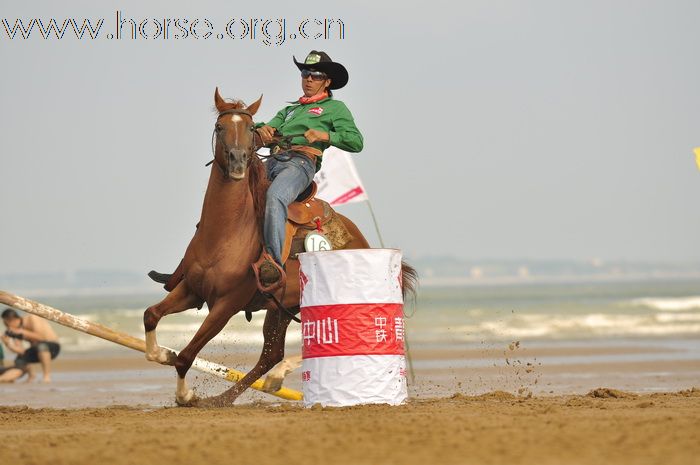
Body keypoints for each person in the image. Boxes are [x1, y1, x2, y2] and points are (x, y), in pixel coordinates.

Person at [253, 50, 364, 288]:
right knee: (230, 192)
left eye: (315, 75)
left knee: (275, 197)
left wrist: (324, 134)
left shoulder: (335, 108)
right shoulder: (289, 110)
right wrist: (262, 130)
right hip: (271, 161)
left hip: (300, 164)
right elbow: (269, 127)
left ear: (327, 81)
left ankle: (273, 263)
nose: (309, 79)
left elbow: (356, 142)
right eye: (305, 73)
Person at [0, 308, 61, 383]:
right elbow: (20, 351)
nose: (7, 327)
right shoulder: (18, 330)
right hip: (36, 349)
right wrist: (7, 344)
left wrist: (21, 332)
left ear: (11, 320)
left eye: (6, 324)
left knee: (41, 346)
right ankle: (31, 376)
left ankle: (46, 377)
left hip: (52, 346)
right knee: (20, 359)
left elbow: (41, 337)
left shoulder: (32, 318)